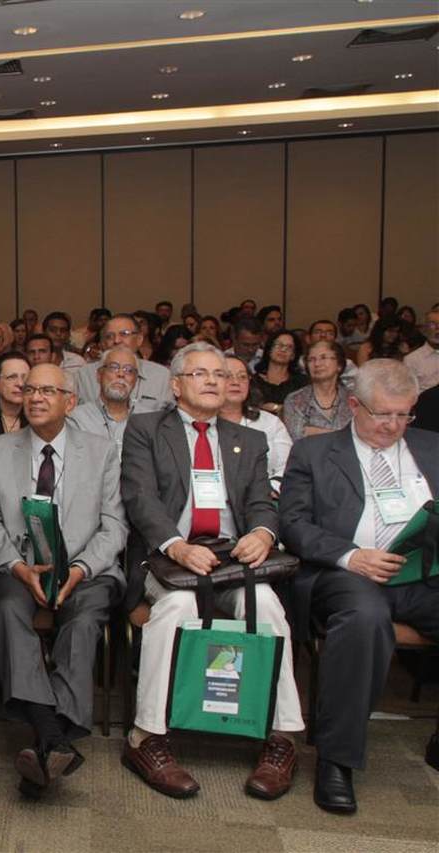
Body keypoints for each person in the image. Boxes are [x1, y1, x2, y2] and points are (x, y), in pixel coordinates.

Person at [120, 342, 302, 801]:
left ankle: (280, 737)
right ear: (176, 385)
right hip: (168, 556)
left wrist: (262, 532)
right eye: (200, 373)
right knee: (177, 607)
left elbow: (262, 501)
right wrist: (178, 546)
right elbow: (140, 497)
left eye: (220, 374)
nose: (212, 381)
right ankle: (146, 737)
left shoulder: (250, 439)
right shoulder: (145, 428)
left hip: (232, 559)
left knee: (267, 607)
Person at [279, 359, 439, 815]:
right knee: (365, 618)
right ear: (354, 405)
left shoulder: (432, 447)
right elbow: (293, 524)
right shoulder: (314, 453)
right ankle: (337, 759)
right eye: (382, 414)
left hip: (420, 574)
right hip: (346, 574)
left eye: (404, 414)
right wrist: (352, 556)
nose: (394, 425)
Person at [0, 364, 127, 798]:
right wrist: (18, 567)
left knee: (82, 621)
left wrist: (80, 569)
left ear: (71, 401)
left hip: (86, 567)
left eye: (48, 390)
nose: (35, 397)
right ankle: (54, 737)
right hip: (20, 566)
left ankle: (47, 740)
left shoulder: (101, 451)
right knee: (8, 608)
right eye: (29, 389)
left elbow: (114, 526)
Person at [220, 356, 291, 495]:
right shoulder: (202, 422)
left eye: (242, 377)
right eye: (227, 376)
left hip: (266, 497)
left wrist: (268, 490)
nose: (236, 382)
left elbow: (288, 466)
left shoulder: (270, 422)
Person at [75, 314, 173, 412]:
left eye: (124, 334)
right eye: (109, 336)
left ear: (139, 339)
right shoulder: (85, 374)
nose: (116, 340)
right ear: (103, 343)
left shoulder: (161, 375)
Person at [69, 347, 140, 452]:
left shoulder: (148, 418)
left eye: (128, 370)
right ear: (99, 375)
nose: (121, 374)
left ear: (135, 380)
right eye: (113, 367)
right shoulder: (77, 418)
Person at [284, 341, 353, 440]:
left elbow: (360, 435)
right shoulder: (294, 400)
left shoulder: (353, 399)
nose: (317, 364)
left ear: (339, 365)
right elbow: (297, 435)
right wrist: (341, 435)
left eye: (323, 358)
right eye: (311, 360)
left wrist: (311, 431)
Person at [252, 329, 308, 415]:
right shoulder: (253, 381)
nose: (283, 349)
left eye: (289, 347)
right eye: (279, 345)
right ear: (269, 350)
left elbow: (305, 410)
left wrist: (276, 408)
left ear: (293, 355)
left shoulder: (302, 382)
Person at [402, 308, 439, 392]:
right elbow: (407, 391)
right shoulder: (411, 359)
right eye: (433, 324)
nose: (438, 327)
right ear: (424, 330)